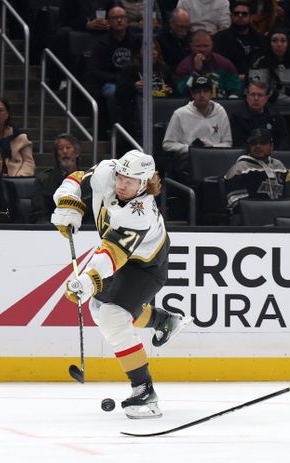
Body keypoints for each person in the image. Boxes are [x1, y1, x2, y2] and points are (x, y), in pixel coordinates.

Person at [50, 149, 192, 419]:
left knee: (113, 317)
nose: (122, 184)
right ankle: (163, 320)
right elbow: (77, 178)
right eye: (121, 177)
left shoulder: (141, 213)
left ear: (145, 183)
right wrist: (68, 202)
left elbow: (113, 255)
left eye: (131, 180)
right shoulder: (107, 171)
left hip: (146, 266)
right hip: (118, 257)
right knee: (98, 309)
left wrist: (87, 280)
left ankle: (145, 392)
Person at [162, 76, 232, 185]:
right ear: (192, 94)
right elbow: (167, 144)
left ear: (211, 93)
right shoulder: (180, 114)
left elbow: (228, 143)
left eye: (205, 91)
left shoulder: (221, 112)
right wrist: (191, 149)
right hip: (189, 161)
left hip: (216, 160)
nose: (202, 95)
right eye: (198, 91)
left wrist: (211, 148)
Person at [88, 6, 141, 130]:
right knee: (114, 94)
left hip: (132, 81)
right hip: (111, 82)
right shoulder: (102, 43)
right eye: (115, 18)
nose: (119, 21)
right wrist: (118, 79)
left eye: (122, 17)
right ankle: (115, 129)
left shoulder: (135, 41)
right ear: (109, 21)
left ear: (127, 20)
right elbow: (95, 71)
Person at [115, 39, 174, 138]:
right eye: (148, 49)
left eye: (155, 49)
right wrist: (133, 87)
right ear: (138, 53)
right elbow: (119, 94)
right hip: (137, 112)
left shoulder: (164, 69)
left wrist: (169, 89)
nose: (153, 52)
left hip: (162, 109)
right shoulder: (129, 70)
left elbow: (175, 90)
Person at [223, 128, 289, 211]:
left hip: (280, 215)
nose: (258, 146)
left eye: (263, 143)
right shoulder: (239, 169)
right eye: (254, 143)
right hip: (251, 218)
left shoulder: (279, 166)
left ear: (271, 146)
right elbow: (237, 204)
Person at [32, 133, 91, 224]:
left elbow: (92, 213)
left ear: (77, 152)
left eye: (68, 147)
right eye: (60, 149)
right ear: (56, 154)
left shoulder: (88, 179)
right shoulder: (43, 179)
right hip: (50, 229)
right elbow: (40, 214)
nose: (65, 151)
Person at [174, 30, 242, 98]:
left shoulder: (224, 63)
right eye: (198, 46)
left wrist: (231, 102)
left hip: (221, 103)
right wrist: (196, 71)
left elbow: (235, 88)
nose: (202, 49)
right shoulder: (184, 66)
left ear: (212, 45)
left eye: (206, 46)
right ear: (191, 46)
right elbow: (182, 91)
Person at [248, 29, 290, 105]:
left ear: (288, 43)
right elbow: (259, 92)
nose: (279, 44)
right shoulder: (259, 62)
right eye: (274, 41)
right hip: (265, 107)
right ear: (269, 43)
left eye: (283, 41)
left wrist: (278, 91)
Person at [213, 1, 268, 78]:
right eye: (236, 13)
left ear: (251, 18)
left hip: (255, 81)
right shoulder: (220, 38)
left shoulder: (260, 39)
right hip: (229, 80)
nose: (240, 16)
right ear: (231, 16)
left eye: (244, 14)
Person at [229, 80, 290, 149]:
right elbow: (238, 143)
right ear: (247, 96)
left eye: (260, 95)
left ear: (266, 98)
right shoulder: (237, 117)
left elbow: (283, 140)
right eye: (252, 94)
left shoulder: (275, 116)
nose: (256, 98)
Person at [156, 7, 191, 73]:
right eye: (180, 26)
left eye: (186, 27)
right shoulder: (161, 39)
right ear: (171, 23)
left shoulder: (190, 37)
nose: (183, 31)